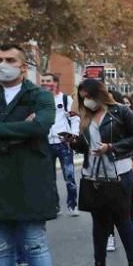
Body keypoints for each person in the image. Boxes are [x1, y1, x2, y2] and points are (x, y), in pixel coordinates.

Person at [0, 44, 66, 266]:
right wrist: (19, 132)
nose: (2, 65)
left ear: (24, 67)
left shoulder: (40, 96)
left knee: (35, 245)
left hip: (30, 183)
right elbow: (28, 130)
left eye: (10, 60)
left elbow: (40, 127)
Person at [73, 78, 133, 266]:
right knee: (99, 223)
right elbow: (84, 146)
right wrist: (74, 142)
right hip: (93, 175)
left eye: (88, 96)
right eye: (82, 97)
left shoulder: (120, 112)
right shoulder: (85, 116)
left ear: (99, 94)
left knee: (123, 221)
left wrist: (111, 147)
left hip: (118, 173)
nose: (86, 101)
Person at [40, 72, 81, 217]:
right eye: (43, 81)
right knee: (49, 178)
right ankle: (54, 206)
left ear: (56, 83)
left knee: (69, 176)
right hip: (45, 143)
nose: (45, 83)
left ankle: (72, 205)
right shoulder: (39, 100)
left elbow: (75, 118)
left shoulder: (65, 99)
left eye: (48, 81)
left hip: (63, 144)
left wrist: (74, 136)